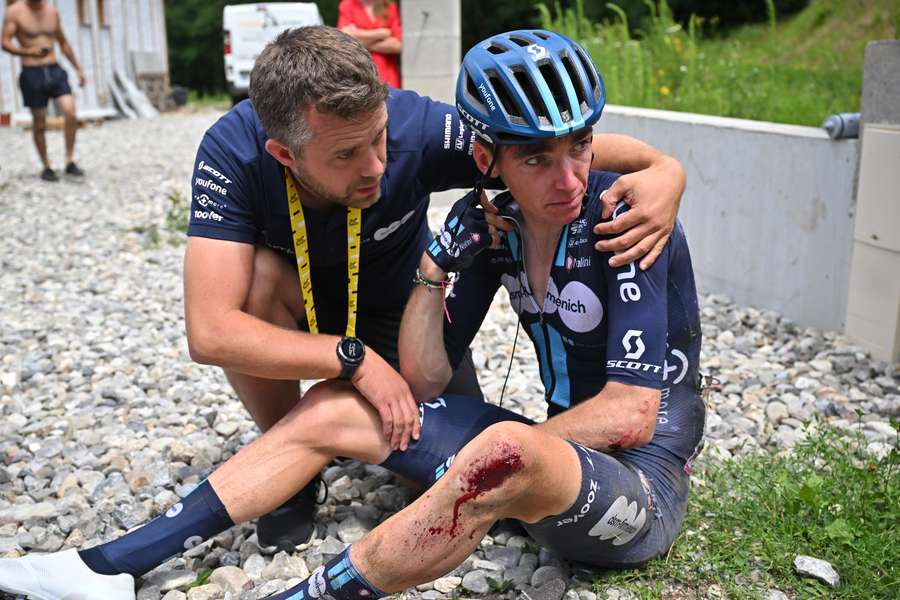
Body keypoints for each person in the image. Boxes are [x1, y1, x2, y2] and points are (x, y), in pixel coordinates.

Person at [0, 29, 703, 600]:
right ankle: (104, 567)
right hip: (384, 361)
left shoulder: (621, 220)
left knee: (495, 458)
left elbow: (630, 416)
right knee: (329, 403)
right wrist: (433, 271)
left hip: (636, 482)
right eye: (536, 158)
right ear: (489, 162)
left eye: (582, 145)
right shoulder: (488, 220)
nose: (571, 177)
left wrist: (667, 171)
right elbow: (220, 333)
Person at [183, 25, 685, 550]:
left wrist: (665, 171)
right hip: (295, 307)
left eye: (379, 138)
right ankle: (293, 475)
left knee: (437, 476)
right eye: (345, 155)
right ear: (284, 155)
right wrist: (351, 360)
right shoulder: (232, 153)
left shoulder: (416, 126)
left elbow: (551, 145)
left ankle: (338, 428)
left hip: (398, 312)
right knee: (256, 280)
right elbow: (211, 332)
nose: (375, 165)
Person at [1, 0, 86, 181]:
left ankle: (69, 160)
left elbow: (63, 42)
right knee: (40, 122)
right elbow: (5, 42)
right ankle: (46, 166)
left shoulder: (51, 11)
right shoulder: (15, 11)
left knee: (70, 112)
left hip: (54, 69)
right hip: (32, 71)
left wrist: (78, 69)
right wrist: (27, 51)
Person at [338, 0, 401, 87]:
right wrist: (381, 33)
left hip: (387, 76)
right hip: (358, 74)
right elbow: (344, 38)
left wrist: (358, 37)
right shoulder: (349, 4)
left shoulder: (389, 5)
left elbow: (397, 45)